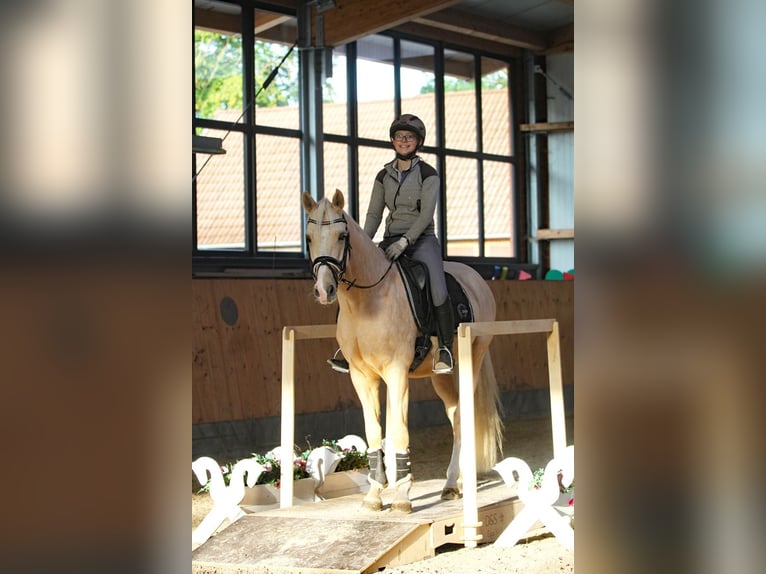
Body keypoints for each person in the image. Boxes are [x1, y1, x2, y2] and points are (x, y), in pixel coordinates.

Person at [328, 113, 455, 374]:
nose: (404, 141)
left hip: (421, 240)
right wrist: (362, 242)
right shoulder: (383, 175)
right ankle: (346, 346)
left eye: (409, 137)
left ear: (418, 142)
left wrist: (407, 241)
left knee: (438, 287)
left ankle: (444, 347)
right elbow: (374, 214)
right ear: (392, 141)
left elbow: (425, 215)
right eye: (399, 137)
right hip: (389, 239)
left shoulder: (429, 174)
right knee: (353, 281)